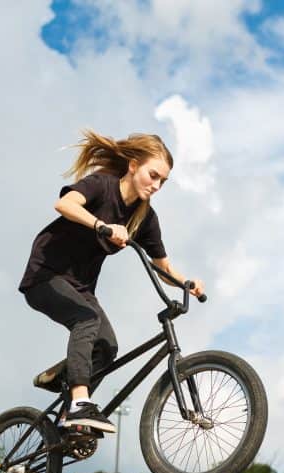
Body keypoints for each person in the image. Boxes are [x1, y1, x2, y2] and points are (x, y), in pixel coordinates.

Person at [18, 131, 205, 433]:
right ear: (133, 166)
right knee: (87, 320)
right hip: (46, 275)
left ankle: (67, 412)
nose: (156, 186)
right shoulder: (101, 187)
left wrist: (187, 283)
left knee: (107, 346)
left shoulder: (145, 217)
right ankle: (80, 403)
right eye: (152, 175)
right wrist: (102, 225)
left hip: (80, 287)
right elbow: (64, 204)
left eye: (162, 182)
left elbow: (163, 267)